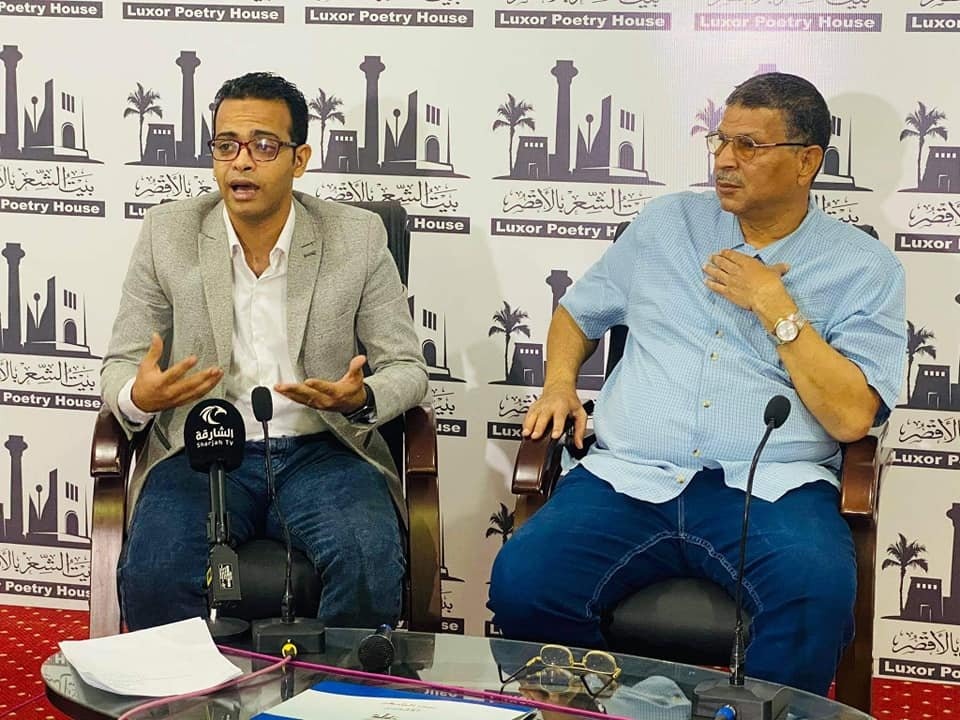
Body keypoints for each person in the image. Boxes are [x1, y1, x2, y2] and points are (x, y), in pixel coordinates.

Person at [487, 72, 906, 695]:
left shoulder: (864, 267)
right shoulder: (666, 225)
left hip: (771, 488)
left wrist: (775, 307)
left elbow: (852, 419)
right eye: (720, 141)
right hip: (628, 476)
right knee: (524, 583)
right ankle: (619, 707)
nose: (725, 160)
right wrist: (558, 385)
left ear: (807, 162)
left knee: (813, 598)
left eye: (749, 146)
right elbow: (577, 313)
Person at [101, 72, 428, 630]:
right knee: (154, 569)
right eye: (226, 146)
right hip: (202, 452)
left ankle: (332, 684)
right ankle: (182, 688)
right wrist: (139, 396)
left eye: (263, 146)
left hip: (322, 449)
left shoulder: (358, 236)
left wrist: (361, 398)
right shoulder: (167, 233)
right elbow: (120, 365)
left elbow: (407, 368)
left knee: (366, 557)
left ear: (299, 160)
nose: (242, 163)